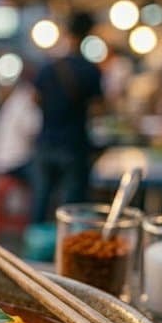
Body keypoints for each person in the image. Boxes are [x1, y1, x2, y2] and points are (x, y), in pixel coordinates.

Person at [31, 12, 104, 223]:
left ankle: (35, 243)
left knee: (41, 198)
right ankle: (65, 245)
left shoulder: (48, 66)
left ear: (66, 32)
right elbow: (98, 108)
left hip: (45, 141)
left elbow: (34, 98)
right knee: (70, 205)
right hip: (74, 143)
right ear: (89, 33)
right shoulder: (90, 70)